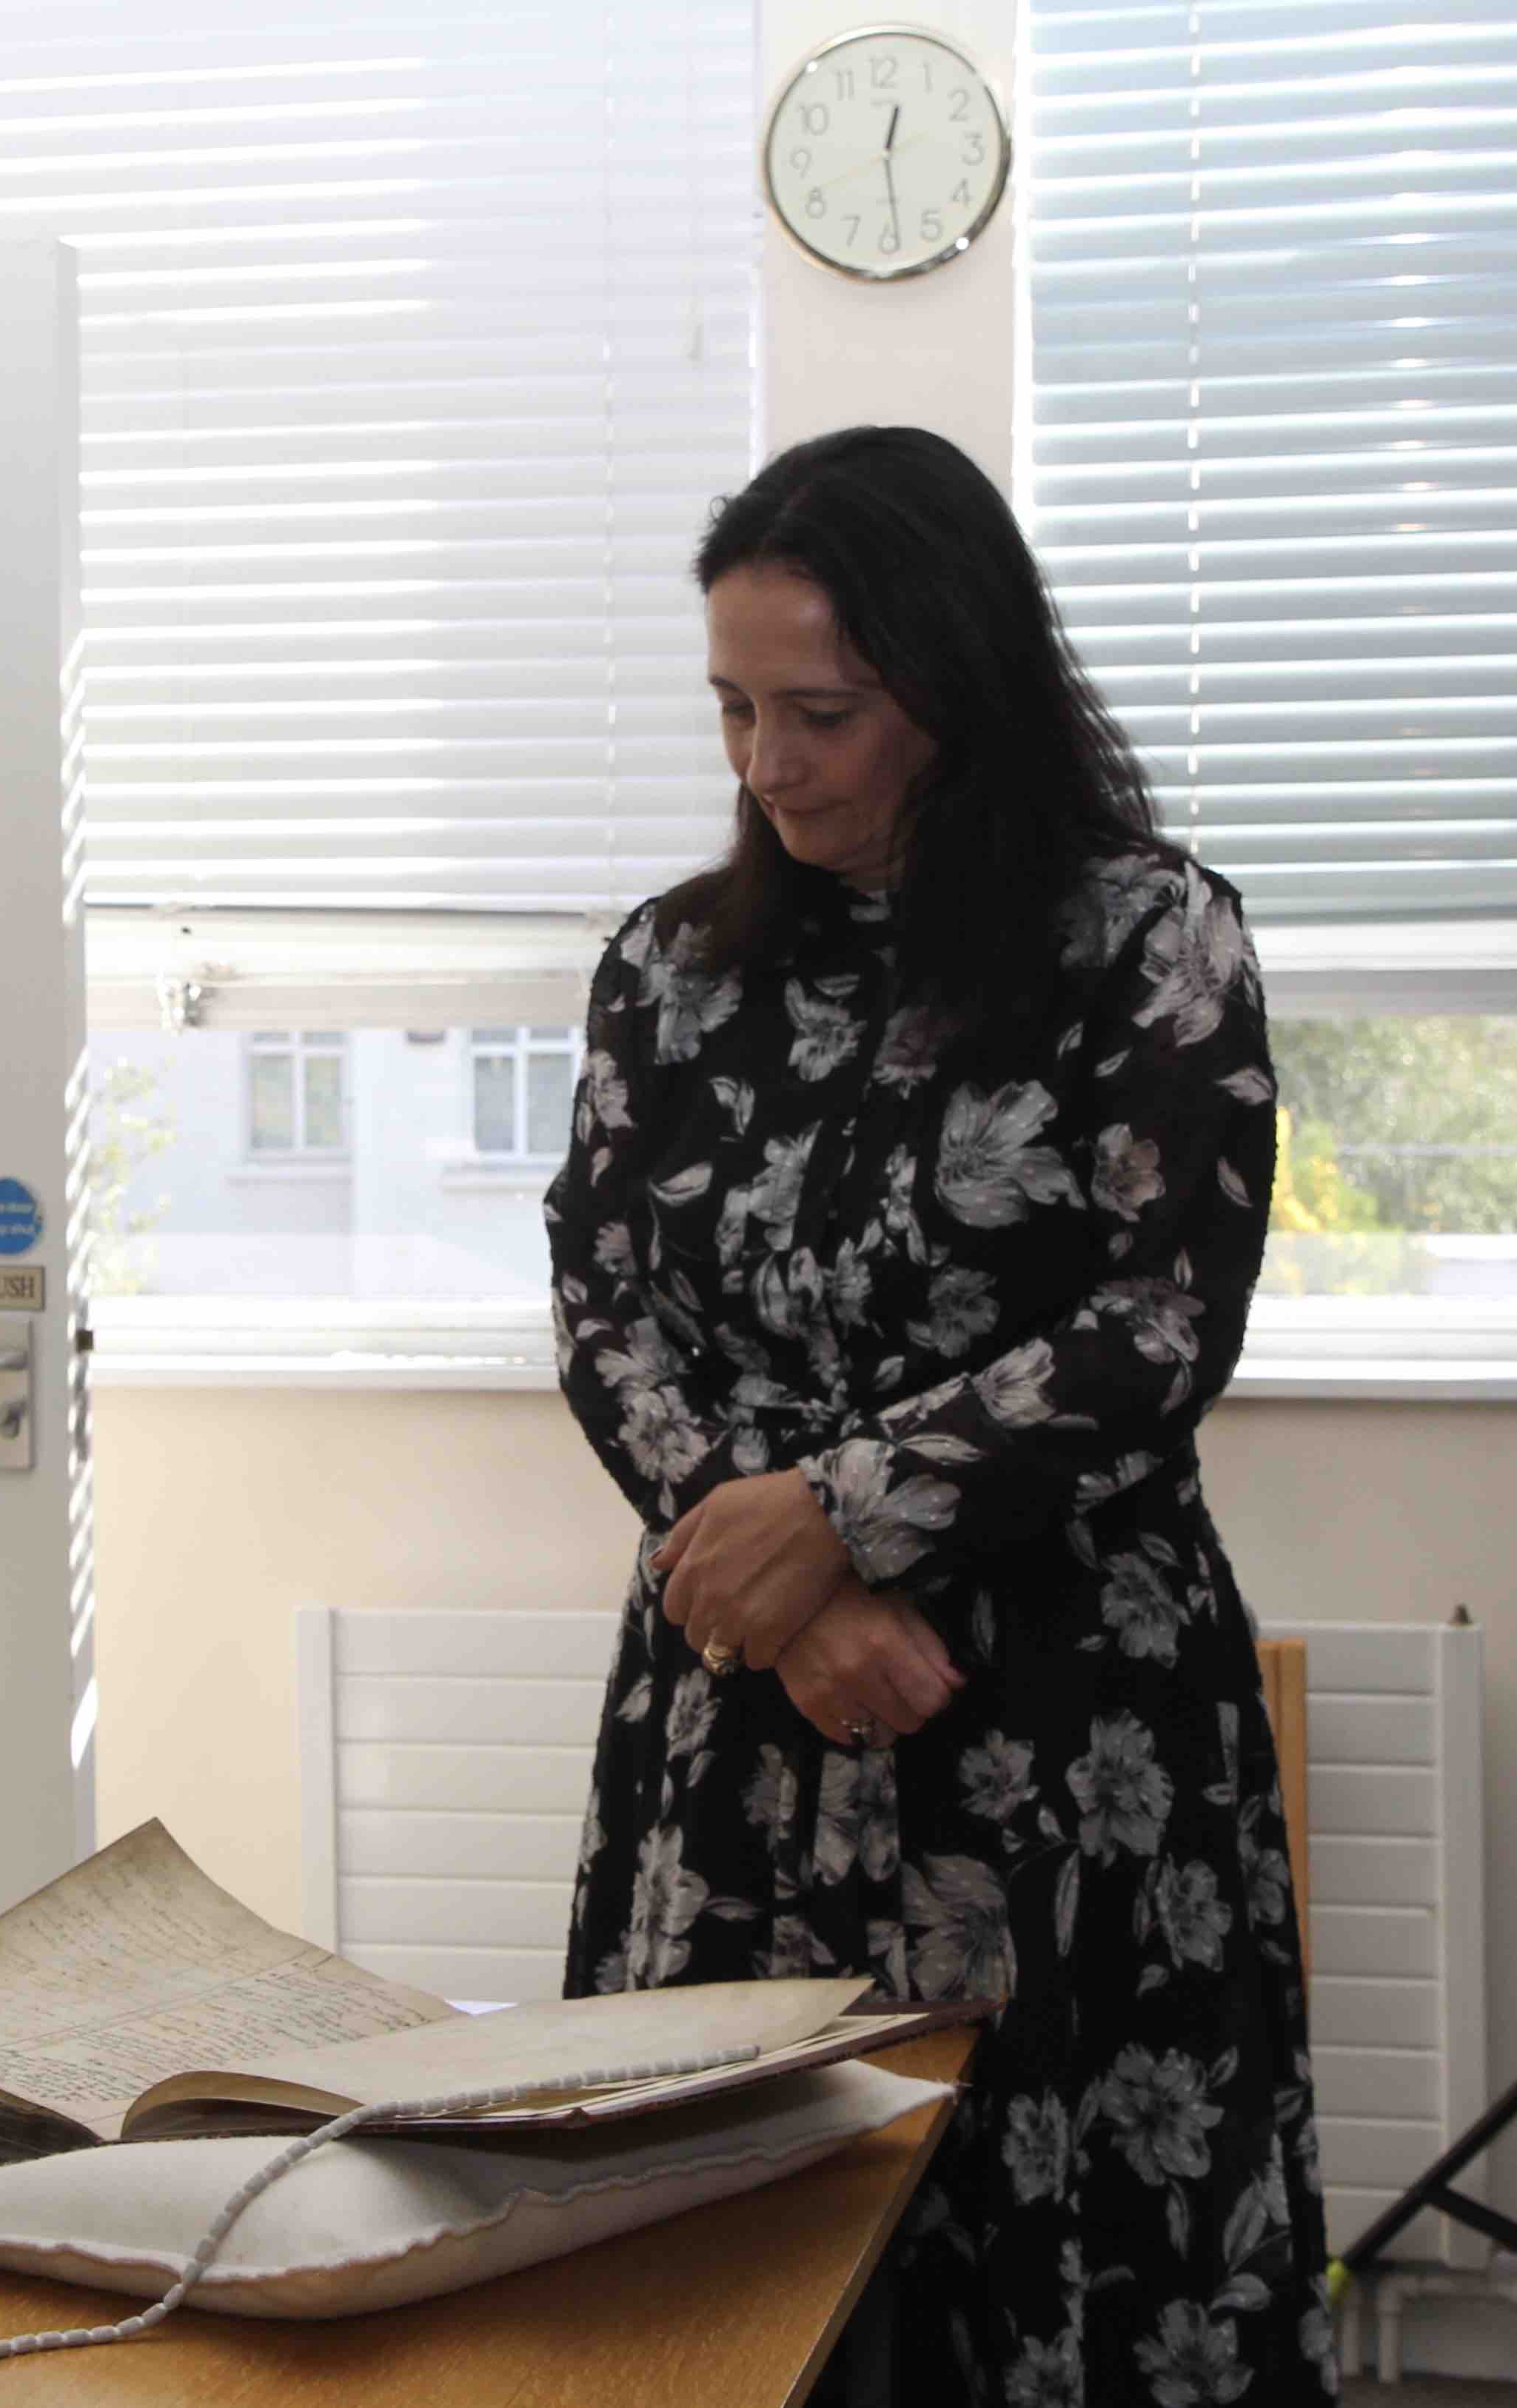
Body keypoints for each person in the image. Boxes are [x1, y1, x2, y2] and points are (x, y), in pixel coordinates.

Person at [547, 426, 1335, 2402]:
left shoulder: (1146, 941)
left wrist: (846, 1504)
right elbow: (601, 1296)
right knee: (725, 2273)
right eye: (730, 706)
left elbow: (1160, 1318)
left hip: (1058, 1714)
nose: (763, 762)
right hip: (743, 1691)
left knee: (1061, 2262)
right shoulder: (667, 965)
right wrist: (786, 1578)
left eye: (817, 709)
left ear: (951, 685)